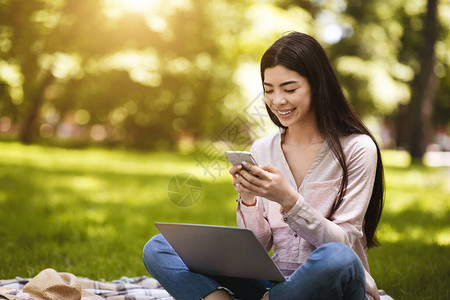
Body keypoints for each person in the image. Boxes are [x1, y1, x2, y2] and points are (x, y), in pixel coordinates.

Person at [143, 31, 384, 300]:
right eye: (269, 90)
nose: (277, 101)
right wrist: (248, 200)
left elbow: (345, 245)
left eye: (290, 89)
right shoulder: (262, 148)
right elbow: (258, 247)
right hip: (274, 284)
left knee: (337, 257)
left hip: (332, 285)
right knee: (160, 247)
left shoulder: (358, 148)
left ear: (318, 85)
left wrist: (289, 200)